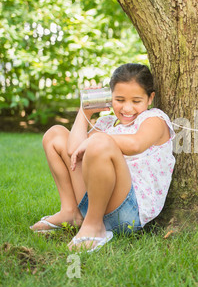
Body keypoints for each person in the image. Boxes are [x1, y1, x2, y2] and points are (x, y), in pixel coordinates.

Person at [30, 63, 176, 252]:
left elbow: (135, 144)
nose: (127, 108)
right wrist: (85, 111)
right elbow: (73, 150)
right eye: (119, 100)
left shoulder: (154, 119)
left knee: (100, 142)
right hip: (95, 202)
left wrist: (95, 141)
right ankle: (70, 212)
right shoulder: (106, 123)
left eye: (136, 101)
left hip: (128, 212)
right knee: (55, 134)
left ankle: (94, 227)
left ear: (150, 98)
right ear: (109, 98)